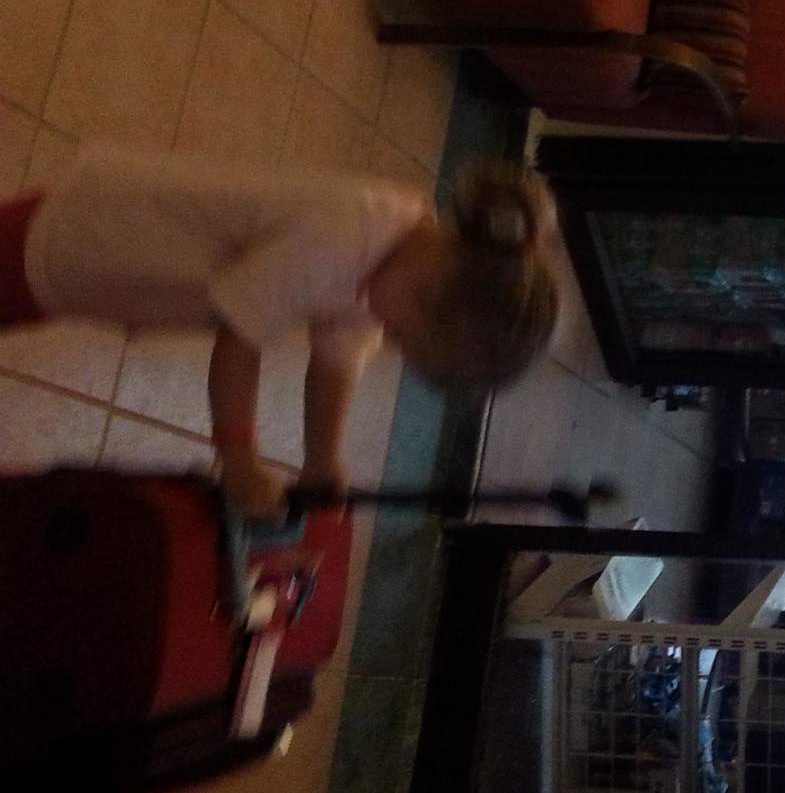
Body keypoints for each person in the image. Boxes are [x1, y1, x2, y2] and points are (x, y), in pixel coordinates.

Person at [0, 146, 562, 516]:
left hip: (119, 270)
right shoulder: (344, 237)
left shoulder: (394, 265)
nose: (387, 336)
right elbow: (240, 338)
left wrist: (323, 458)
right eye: (402, 334)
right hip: (88, 234)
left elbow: (338, 361)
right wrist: (239, 461)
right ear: (430, 283)